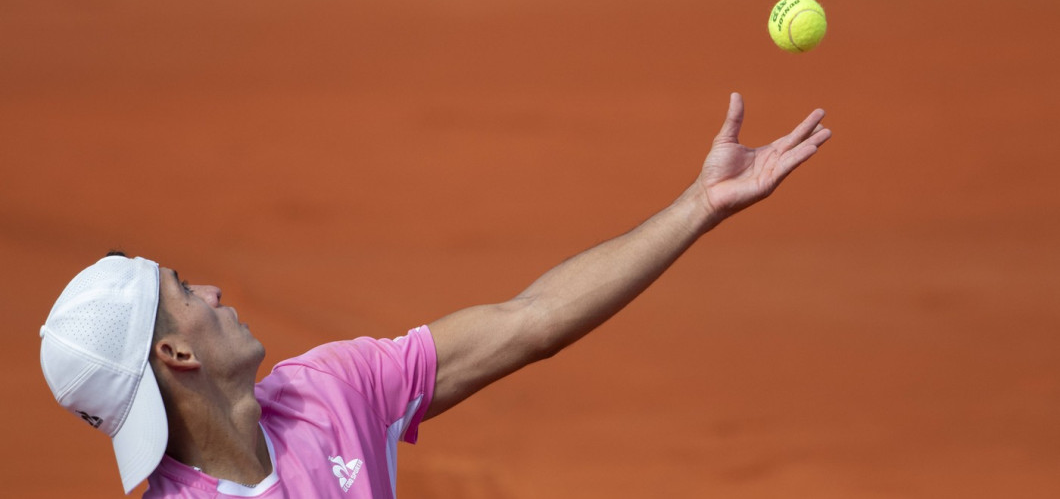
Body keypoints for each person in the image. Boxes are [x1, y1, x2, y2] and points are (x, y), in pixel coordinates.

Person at [40, 92, 831, 497]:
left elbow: (532, 322)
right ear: (173, 352)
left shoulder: (329, 390)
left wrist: (698, 206)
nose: (211, 289)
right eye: (184, 292)